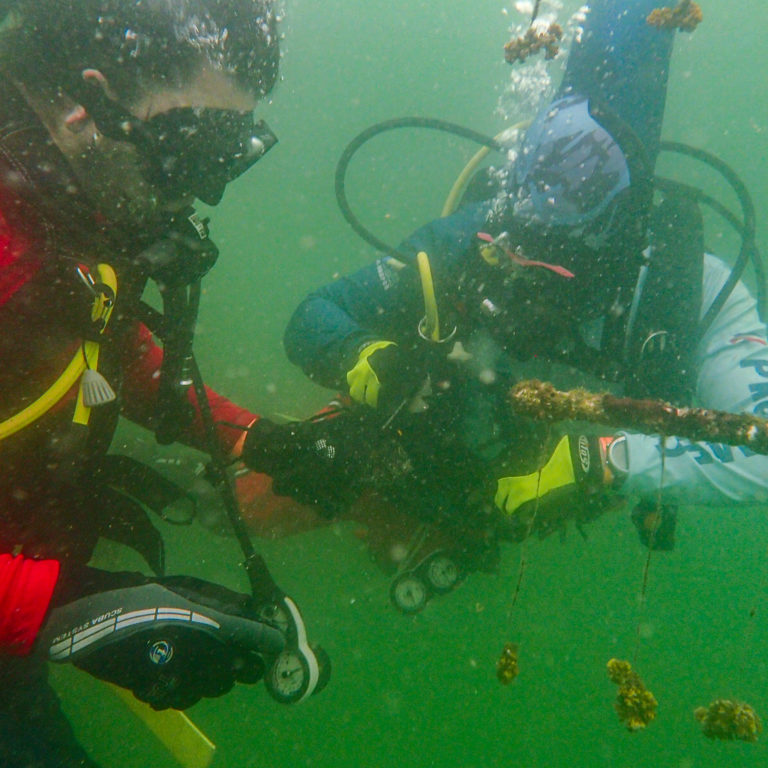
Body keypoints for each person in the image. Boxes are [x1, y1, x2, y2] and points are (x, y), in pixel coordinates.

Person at [242, 0, 768, 605]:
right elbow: (313, 317)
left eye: (560, 254)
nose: (527, 267)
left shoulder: (690, 294)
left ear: (620, 230)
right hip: (401, 452)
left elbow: (761, 447)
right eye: (520, 241)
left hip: (491, 510)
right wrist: (364, 358)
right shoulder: (473, 237)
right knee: (251, 504)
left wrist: (606, 461)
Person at [0, 1, 326, 765]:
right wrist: (64, 606)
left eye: (232, 155)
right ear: (85, 102)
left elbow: (111, 352)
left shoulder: (67, 210)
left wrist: (258, 439)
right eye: (198, 148)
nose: (208, 191)